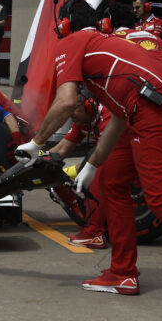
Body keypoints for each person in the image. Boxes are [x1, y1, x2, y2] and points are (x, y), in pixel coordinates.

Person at [15, 0, 162, 295]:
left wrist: (35, 143)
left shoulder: (72, 41)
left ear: (64, 24)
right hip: (156, 103)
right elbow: (119, 116)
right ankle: (122, 273)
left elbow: (66, 101)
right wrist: (93, 164)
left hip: (152, 109)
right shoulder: (104, 45)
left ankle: (123, 271)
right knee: (112, 182)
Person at [49, 96, 111, 249]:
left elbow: (104, 154)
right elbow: (62, 149)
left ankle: (95, 233)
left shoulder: (107, 116)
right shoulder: (83, 120)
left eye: (74, 108)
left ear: (89, 106)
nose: (71, 113)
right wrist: (38, 160)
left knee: (95, 173)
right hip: (121, 152)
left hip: (135, 152)